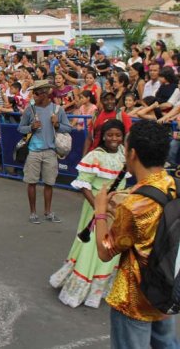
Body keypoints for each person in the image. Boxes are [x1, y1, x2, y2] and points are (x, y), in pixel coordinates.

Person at [93, 120, 179, 349]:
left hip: (136, 298)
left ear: (132, 154)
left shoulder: (134, 205)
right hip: (167, 288)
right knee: (168, 343)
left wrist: (101, 212)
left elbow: (105, 250)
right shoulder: (173, 183)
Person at [50, 119, 126, 308]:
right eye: (110, 135)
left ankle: (100, 288)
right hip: (96, 208)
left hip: (115, 209)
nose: (114, 138)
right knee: (93, 244)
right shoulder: (94, 156)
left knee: (111, 245)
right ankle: (80, 287)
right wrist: (99, 207)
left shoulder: (124, 153)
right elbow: (83, 185)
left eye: (118, 135)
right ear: (103, 137)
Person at [18, 80, 72, 224]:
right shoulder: (30, 110)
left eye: (35, 93)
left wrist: (57, 124)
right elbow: (20, 128)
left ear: (44, 94)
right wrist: (31, 127)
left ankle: (48, 212)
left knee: (49, 183)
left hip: (50, 151)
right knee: (31, 182)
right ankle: (33, 213)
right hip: (33, 151)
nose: (33, 96)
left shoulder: (58, 110)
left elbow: (68, 128)